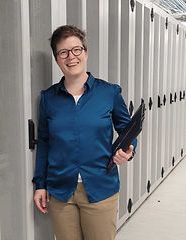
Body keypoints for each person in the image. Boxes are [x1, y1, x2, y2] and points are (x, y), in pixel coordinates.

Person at [32, 25, 137, 240]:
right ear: (57, 58)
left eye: (76, 50)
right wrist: (40, 185)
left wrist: (128, 149)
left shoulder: (109, 93)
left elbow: (128, 130)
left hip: (100, 188)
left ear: (86, 52)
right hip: (61, 192)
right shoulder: (48, 98)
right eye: (63, 52)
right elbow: (44, 143)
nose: (71, 57)